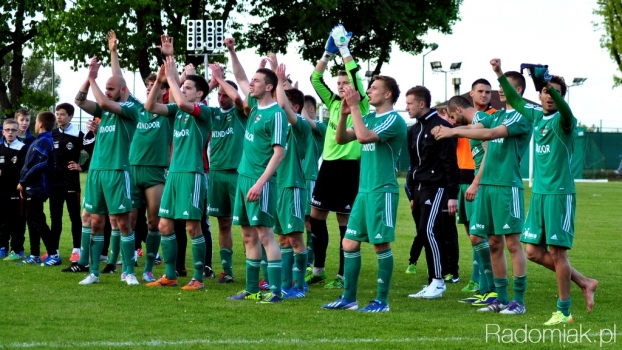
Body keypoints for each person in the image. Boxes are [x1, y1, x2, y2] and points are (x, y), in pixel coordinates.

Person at [493, 60, 598, 325]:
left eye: (556, 93)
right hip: (539, 194)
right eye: (545, 91)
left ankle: (563, 311)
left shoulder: (565, 120)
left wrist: (550, 84)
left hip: (559, 195)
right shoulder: (537, 116)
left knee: (557, 252)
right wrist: (499, 74)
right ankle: (584, 281)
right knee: (532, 252)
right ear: (539, 95)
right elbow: (516, 102)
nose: (550, 96)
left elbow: (564, 109)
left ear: (561, 97)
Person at [433, 64, 532, 314]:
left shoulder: (521, 117)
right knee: (494, 244)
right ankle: (499, 298)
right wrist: (452, 130)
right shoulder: (497, 114)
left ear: (517, 90)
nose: (499, 92)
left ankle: (518, 301)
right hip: (487, 187)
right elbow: (476, 127)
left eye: (503, 87)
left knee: (512, 244)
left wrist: (453, 130)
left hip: (506, 187)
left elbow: (490, 133)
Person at [322, 76, 406, 312]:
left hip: (383, 191)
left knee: (380, 245)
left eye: (374, 88)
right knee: (349, 243)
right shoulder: (367, 117)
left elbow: (363, 137)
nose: (369, 91)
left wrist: (355, 109)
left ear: (388, 94)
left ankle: (382, 301)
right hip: (364, 191)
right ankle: (349, 298)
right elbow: (340, 139)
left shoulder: (394, 120)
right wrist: (345, 113)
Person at [307, 24, 370, 289]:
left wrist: (345, 49)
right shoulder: (333, 103)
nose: (342, 86)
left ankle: (343, 275)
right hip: (328, 167)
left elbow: (355, 74)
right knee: (315, 217)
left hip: (349, 168)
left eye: (346, 83)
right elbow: (314, 80)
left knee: (344, 221)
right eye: (340, 83)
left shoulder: (361, 104)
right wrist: (326, 54)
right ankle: (318, 268)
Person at [143, 55, 213, 290]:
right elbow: (150, 106)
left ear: (200, 94)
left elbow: (183, 103)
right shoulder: (178, 110)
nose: (183, 89)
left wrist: (172, 78)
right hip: (173, 174)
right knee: (164, 226)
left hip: (192, 175)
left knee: (193, 227)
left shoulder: (204, 111)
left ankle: (198, 278)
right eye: (183, 86)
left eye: (188, 87)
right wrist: (161, 80)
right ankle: (170, 275)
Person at [223, 52, 287, 303]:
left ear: (269, 87)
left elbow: (279, 153)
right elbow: (239, 75)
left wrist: (260, 183)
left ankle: (276, 291)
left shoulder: (276, 114)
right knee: (248, 235)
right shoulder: (254, 106)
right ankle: (251, 290)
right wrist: (231, 51)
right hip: (243, 178)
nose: (252, 83)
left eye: (257, 81)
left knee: (264, 235)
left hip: (261, 182)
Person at [70, 56, 140, 285]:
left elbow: (107, 103)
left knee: (123, 221)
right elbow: (78, 101)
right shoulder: (104, 109)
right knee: (94, 221)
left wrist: (94, 80)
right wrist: (87, 79)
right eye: (106, 88)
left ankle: (128, 271)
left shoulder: (130, 108)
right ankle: (93, 272)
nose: (107, 92)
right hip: (96, 172)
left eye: (111, 89)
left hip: (118, 171)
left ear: (123, 89)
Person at [405, 86, 459, 300]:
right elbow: (413, 164)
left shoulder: (442, 127)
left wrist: (452, 194)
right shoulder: (414, 130)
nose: (406, 107)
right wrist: (411, 194)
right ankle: (432, 281)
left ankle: (439, 280)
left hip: (436, 188)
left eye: (409, 103)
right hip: (419, 189)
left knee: (430, 230)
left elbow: (450, 163)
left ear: (421, 104)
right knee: (423, 232)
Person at [445, 96, 493, 297]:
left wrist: (476, 182)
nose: (453, 120)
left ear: (457, 109)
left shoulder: (485, 120)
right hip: (471, 183)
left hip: (484, 185)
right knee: (475, 235)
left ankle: (489, 288)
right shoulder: (473, 125)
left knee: (484, 237)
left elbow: (488, 154)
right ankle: (484, 287)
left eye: (453, 116)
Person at [204, 63, 248, 284]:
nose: (220, 99)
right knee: (223, 223)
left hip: (237, 174)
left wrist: (221, 80)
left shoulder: (240, 114)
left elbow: (239, 100)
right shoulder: (212, 114)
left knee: (248, 225)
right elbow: (195, 102)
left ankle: (260, 270)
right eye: (218, 95)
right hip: (216, 174)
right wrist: (212, 83)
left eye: (224, 95)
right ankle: (227, 270)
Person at [454, 80, 497, 293]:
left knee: (479, 231)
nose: (484, 95)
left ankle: (480, 279)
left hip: (479, 179)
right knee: (471, 230)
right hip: (462, 178)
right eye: (480, 91)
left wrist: (476, 181)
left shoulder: (492, 117)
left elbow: (489, 148)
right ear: (471, 94)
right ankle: (478, 278)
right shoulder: (460, 118)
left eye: (488, 92)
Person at [274, 63, 311, 298]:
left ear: (295, 107)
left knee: (296, 239)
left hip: (292, 186)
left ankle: (300, 286)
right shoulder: (277, 126)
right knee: (282, 238)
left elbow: (283, 108)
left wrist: (279, 81)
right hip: (276, 187)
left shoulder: (301, 126)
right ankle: (285, 284)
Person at [50, 103, 86, 264]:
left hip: (72, 184)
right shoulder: (52, 134)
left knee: (74, 218)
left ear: (70, 116)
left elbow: (94, 152)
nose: (59, 116)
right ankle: (54, 250)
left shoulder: (79, 135)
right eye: (57, 114)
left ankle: (76, 249)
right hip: (55, 185)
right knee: (55, 218)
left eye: (62, 114)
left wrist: (81, 167)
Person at [18, 112, 56, 265]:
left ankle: (53, 254)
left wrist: (23, 182)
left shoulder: (44, 141)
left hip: (37, 188)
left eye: (35, 122)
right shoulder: (40, 140)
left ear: (40, 124)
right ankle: (34, 254)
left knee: (38, 220)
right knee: (32, 220)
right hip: (31, 188)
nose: (33, 124)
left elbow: (36, 166)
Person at [302, 95, 327, 270]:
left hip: (309, 178)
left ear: (311, 110)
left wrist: (291, 90)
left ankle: (311, 262)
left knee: (309, 220)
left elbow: (302, 117)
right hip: (288, 178)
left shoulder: (319, 127)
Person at [0, 119, 27, 261]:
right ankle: (2, 246)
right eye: (7, 130)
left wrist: (3, 172)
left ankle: (17, 249)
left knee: (17, 221)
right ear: (3, 131)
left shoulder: (23, 148)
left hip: (17, 191)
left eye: (13, 130)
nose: (10, 132)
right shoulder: (0, 148)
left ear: (18, 132)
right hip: (1, 191)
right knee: (2, 220)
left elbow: (20, 170)